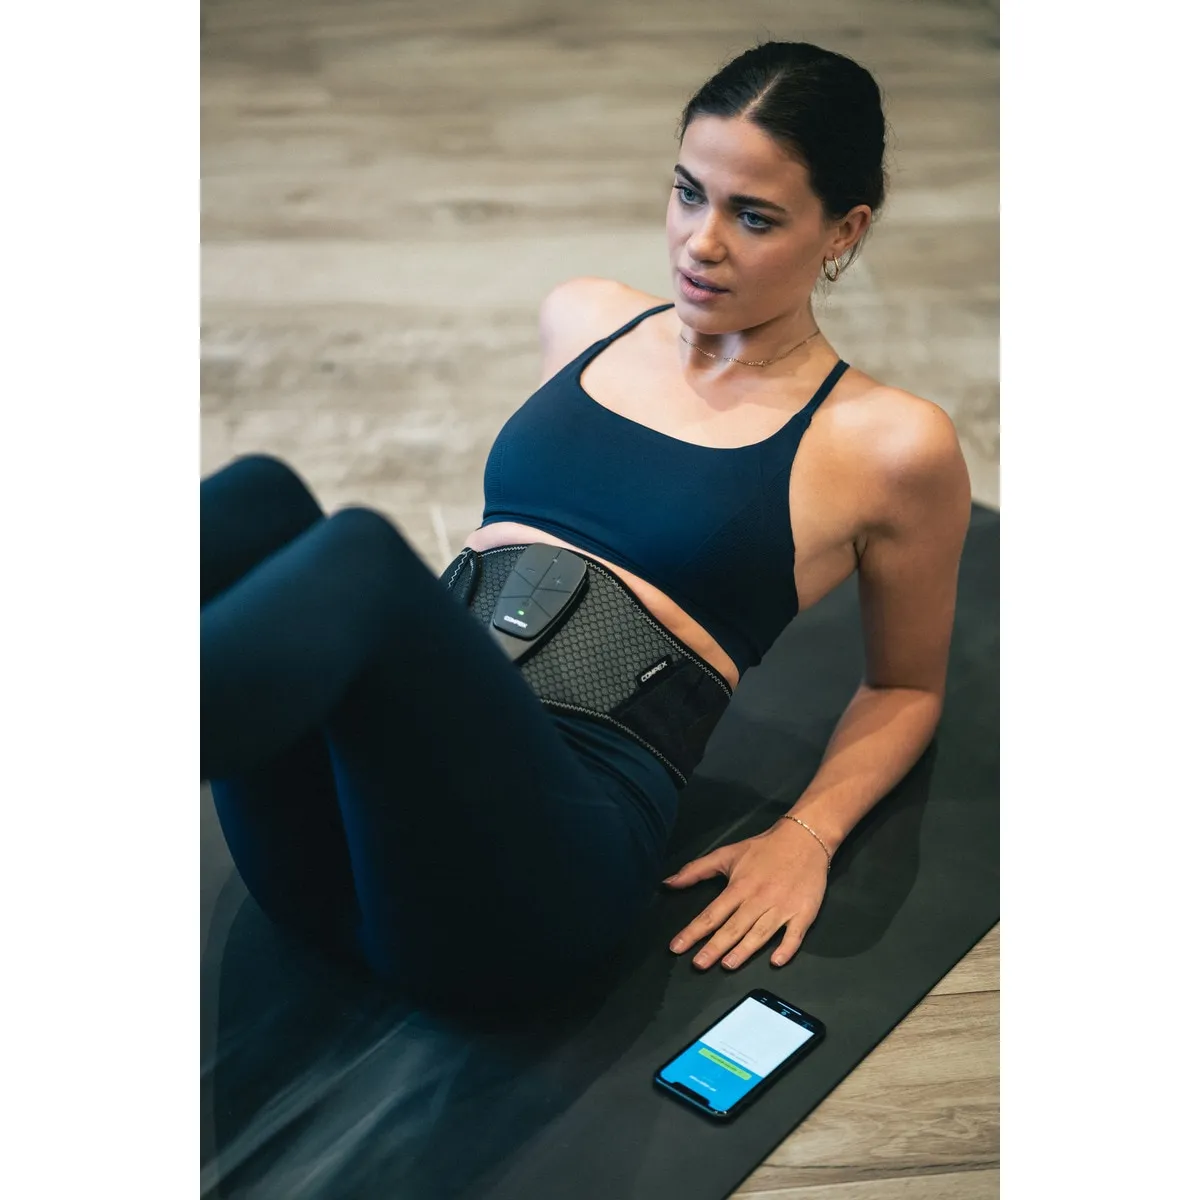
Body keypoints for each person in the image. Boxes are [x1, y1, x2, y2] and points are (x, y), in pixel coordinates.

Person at [201, 40, 971, 1013]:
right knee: (258, 499)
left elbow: (905, 686)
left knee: (360, 559)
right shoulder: (584, 316)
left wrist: (804, 835)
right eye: (688, 194)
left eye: (754, 216)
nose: (700, 242)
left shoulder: (887, 441)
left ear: (843, 230)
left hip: (529, 890)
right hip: (347, 858)